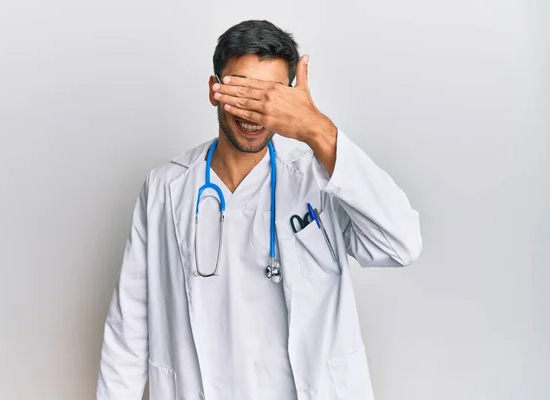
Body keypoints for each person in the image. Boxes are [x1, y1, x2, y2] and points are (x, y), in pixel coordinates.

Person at [96, 19, 422, 400]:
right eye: (241, 89)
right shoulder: (165, 188)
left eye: (269, 95)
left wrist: (318, 131)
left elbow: (402, 244)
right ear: (214, 90)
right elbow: (128, 331)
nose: (255, 110)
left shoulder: (316, 176)